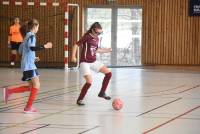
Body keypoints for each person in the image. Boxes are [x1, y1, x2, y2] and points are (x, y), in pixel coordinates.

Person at [3, 19, 53, 113]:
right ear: (34, 27)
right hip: (29, 65)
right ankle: (28, 107)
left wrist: (33, 58)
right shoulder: (31, 36)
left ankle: (9, 92)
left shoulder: (26, 37)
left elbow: (22, 51)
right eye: (38, 26)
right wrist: (45, 46)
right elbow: (31, 48)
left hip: (28, 64)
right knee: (37, 85)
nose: (38, 28)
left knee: (32, 86)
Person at [71, 22, 112, 106]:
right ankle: (80, 99)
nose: (98, 34)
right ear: (92, 30)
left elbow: (96, 50)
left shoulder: (97, 38)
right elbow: (75, 45)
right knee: (89, 82)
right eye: (97, 32)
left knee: (108, 73)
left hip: (93, 61)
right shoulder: (87, 37)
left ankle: (102, 92)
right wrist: (73, 56)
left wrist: (106, 50)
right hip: (85, 62)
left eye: (100, 33)